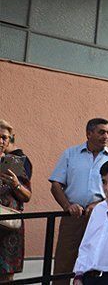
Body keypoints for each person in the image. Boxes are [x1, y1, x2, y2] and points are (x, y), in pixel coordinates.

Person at [50, 118, 108, 284]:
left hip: (100, 216)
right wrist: (68, 206)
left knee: (95, 261)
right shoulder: (70, 154)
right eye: (101, 132)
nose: (106, 136)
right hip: (72, 216)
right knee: (64, 261)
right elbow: (55, 184)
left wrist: (98, 205)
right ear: (89, 133)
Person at [1, 120, 32, 283]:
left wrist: (16, 185)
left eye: (4, 137)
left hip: (8, 229)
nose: (1, 141)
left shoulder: (15, 163)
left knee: (6, 275)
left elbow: (27, 196)